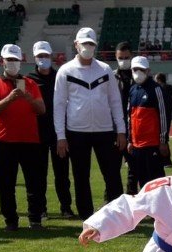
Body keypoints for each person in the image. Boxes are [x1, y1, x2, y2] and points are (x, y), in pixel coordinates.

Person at [54, 27, 127, 219]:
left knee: (112, 174)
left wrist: (121, 131)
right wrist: (61, 136)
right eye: (84, 43)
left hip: (104, 131)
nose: (87, 47)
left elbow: (115, 102)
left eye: (91, 44)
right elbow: (59, 105)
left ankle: (117, 216)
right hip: (76, 132)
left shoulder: (104, 70)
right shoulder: (65, 71)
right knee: (80, 176)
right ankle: (86, 216)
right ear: (76, 45)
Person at [0, 44, 47, 231]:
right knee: (6, 184)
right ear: (1, 61)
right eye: (9, 59)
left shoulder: (31, 84)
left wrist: (28, 98)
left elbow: (42, 109)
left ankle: (35, 220)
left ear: (21, 61)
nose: (12, 63)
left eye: (15, 60)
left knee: (34, 183)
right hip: (5, 142)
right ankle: (10, 221)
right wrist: (10, 99)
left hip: (30, 141)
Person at [28, 41, 74, 217]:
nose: (43, 59)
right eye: (40, 56)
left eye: (46, 55)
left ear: (51, 56)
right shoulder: (29, 79)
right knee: (39, 174)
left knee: (62, 173)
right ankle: (41, 208)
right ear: (34, 57)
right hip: (38, 133)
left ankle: (65, 207)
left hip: (59, 133)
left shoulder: (60, 76)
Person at [126, 56, 169, 188]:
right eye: (135, 69)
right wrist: (130, 140)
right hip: (137, 146)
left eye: (141, 69)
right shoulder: (133, 90)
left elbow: (163, 115)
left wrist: (163, 141)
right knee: (142, 181)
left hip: (152, 144)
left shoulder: (156, 89)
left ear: (148, 71)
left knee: (157, 181)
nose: (138, 73)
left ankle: (162, 207)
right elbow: (130, 116)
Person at [114, 42, 138, 195]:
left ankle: (132, 196)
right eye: (120, 58)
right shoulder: (111, 76)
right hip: (116, 128)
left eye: (126, 57)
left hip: (134, 128)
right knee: (113, 167)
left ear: (132, 56)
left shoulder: (138, 77)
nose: (123, 60)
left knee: (134, 167)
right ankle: (112, 199)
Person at [154, 72, 172, 166]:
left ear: (158, 80)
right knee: (164, 138)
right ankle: (166, 160)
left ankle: (165, 160)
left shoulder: (160, 89)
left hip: (161, 116)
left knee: (162, 138)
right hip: (168, 115)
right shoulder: (170, 89)